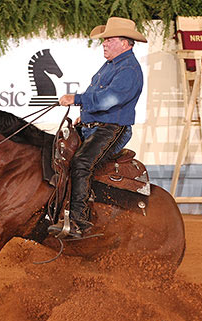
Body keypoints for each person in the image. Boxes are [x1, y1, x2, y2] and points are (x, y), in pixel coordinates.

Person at [48, 16, 146, 238]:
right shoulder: (112, 65)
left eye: (109, 39)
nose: (104, 43)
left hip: (112, 128)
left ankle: (78, 222)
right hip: (96, 126)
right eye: (105, 39)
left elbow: (110, 99)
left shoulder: (129, 69)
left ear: (125, 43)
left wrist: (77, 99)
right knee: (58, 154)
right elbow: (98, 96)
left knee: (82, 163)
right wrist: (85, 116)